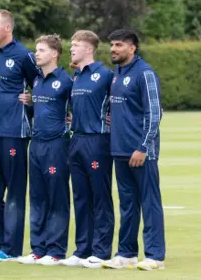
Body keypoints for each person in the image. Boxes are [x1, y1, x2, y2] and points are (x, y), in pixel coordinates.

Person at [0, 9, 40, 262]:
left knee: (14, 191)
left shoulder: (24, 55)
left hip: (15, 131)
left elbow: (43, 82)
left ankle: (11, 249)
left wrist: (32, 100)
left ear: (7, 28)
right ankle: (0, 242)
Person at [102, 29, 166, 271]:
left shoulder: (145, 73)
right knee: (127, 204)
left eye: (118, 45)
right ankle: (126, 253)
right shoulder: (117, 74)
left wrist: (143, 147)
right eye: (112, 45)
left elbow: (155, 113)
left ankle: (155, 256)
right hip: (119, 151)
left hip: (141, 153)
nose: (113, 49)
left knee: (150, 203)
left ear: (132, 48)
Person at [17, 35, 73, 266]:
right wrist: (29, 106)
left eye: (41, 50)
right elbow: (40, 112)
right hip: (36, 144)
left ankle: (56, 250)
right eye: (36, 50)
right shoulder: (37, 81)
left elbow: (77, 110)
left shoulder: (67, 81)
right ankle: (38, 249)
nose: (36, 54)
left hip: (56, 145)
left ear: (54, 54)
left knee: (56, 197)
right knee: (38, 197)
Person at [62, 30, 115, 268]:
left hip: (97, 141)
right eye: (72, 45)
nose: (72, 48)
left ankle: (102, 251)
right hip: (76, 140)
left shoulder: (105, 75)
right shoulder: (75, 76)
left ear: (89, 49)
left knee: (100, 197)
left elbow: (122, 103)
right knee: (81, 197)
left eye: (76, 45)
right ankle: (82, 250)